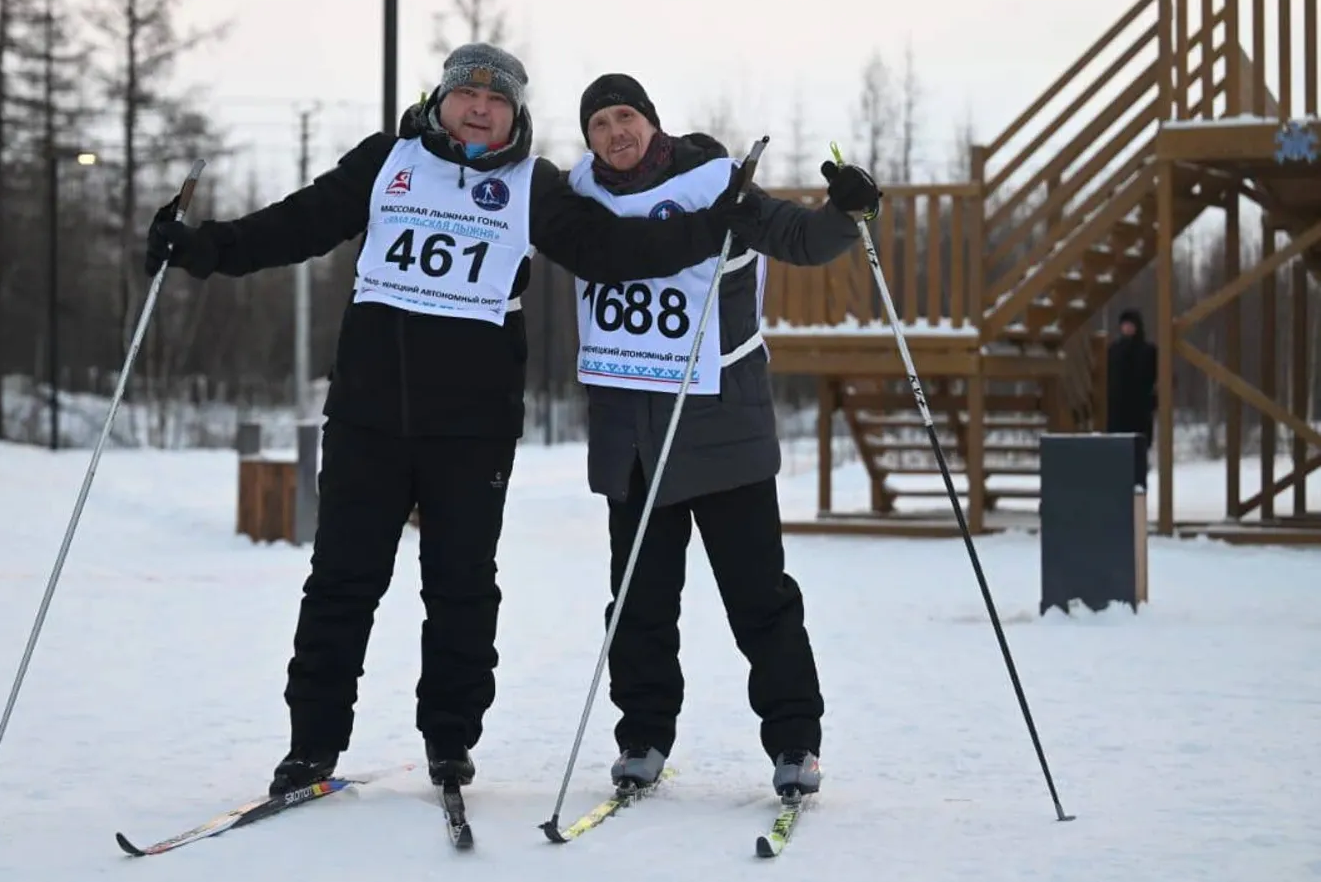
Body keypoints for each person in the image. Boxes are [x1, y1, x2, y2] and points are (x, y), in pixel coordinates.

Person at [143, 46, 761, 796]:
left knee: (461, 586)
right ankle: (311, 745)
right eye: (465, 93)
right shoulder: (387, 159)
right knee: (341, 581)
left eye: (494, 99)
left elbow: (611, 251)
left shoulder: (533, 184)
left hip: (471, 427)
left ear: (514, 113)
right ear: (440, 100)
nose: (479, 107)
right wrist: (201, 247)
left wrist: (710, 228)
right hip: (369, 414)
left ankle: (448, 739)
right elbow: (297, 224)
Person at [566, 73, 882, 799]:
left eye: (626, 117)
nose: (616, 133)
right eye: (599, 124)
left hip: (723, 433)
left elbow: (800, 238)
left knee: (758, 597)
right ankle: (641, 736)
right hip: (632, 440)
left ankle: (794, 740)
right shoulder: (581, 200)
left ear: (650, 121)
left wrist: (847, 209)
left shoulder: (716, 185)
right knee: (638, 600)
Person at [1106, 307, 1158, 490]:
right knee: (1117, 468)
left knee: (1138, 469)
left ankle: (1139, 512)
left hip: (1140, 415)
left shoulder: (1148, 351)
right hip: (1117, 415)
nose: (1127, 328)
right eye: (1124, 325)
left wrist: (1153, 401)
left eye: (1130, 325)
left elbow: (1158, 379)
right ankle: (1121, 511)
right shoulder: (1114, 350)